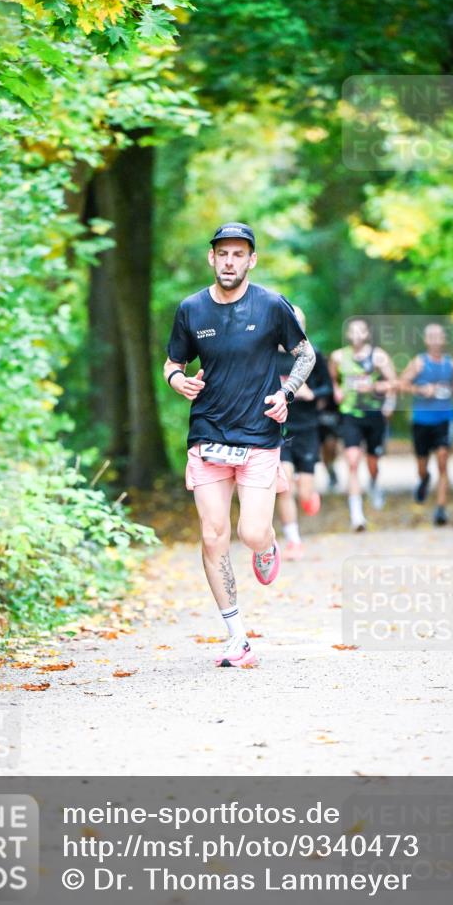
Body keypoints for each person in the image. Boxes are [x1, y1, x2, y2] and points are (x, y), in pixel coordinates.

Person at [164, 222, 315, 668]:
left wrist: (286, 395)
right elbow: (173, 361)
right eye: (222, 254)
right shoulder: (191, 309)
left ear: (251, 260)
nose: (229, 261)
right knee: (213, 537)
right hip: (208, 436)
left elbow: (305, 353)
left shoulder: (271, 305)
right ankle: (237, 637)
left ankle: (267, 546)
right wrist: (178, 381)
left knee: (250, 533)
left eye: (238, 254)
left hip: (259, 436)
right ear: (211, 258)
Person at [276, 305, 333, 560]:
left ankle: (310, 496)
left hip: (307, 427)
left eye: (297, 323)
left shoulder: (313, 354)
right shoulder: (267, 355)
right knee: (284, 485)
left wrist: (310, 393)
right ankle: (293, 541)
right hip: (278, 428)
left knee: (304, 492)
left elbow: (328, 390)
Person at [329, 318, 397, 531]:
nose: (357, 334)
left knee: (372, 462)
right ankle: (357, 515)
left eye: (361, 331)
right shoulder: (338, 357)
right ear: (348, 334)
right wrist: (336, 390)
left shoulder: (378, 356)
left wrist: (385, 399)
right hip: (350, 414)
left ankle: (374, 484)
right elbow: (332, 379)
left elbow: (394, 383)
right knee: (352, 461)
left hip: (374, 414)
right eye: (353, 331)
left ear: (367, 334)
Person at [400, 322, 453, 525]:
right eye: (432, 336)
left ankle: (440, 509)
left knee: (443, 460)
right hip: (422, 419)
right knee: (422, 465)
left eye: (440, 336)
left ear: (444, 340)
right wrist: (421, 390)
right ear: (427, 340)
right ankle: (424, 478)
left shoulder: (451, 364)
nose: (437, 340)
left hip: (445, 418)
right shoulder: (418, 363)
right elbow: (402, 384)